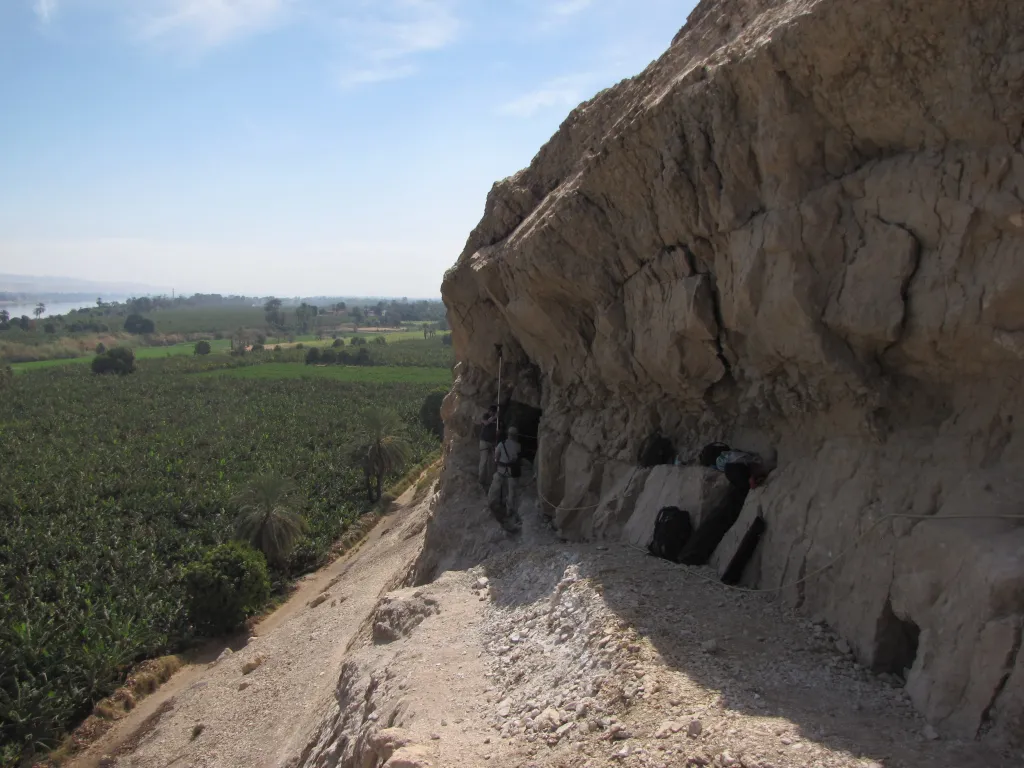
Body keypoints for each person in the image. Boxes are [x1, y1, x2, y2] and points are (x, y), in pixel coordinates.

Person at [488, 426, 522, 531]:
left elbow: (496, 458)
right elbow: (517, 458)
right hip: (512, 473)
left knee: (496, 489)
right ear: (516, 436)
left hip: (501, 471)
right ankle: (509, 512)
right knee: (511, 493)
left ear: (508, 434)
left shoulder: (501, 444)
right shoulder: (518, 446)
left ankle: (493, 506)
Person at [477, 405, 498, 487]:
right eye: (490, 411)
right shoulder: (485, 416)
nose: (491, 413)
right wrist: (494, 417)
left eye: (493, 411)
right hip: (484, 442)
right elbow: (485, 423)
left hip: (492, 442)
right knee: (484, 461)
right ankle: (481, 480)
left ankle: (490, 481)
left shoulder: (498, 419)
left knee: (492, 462)